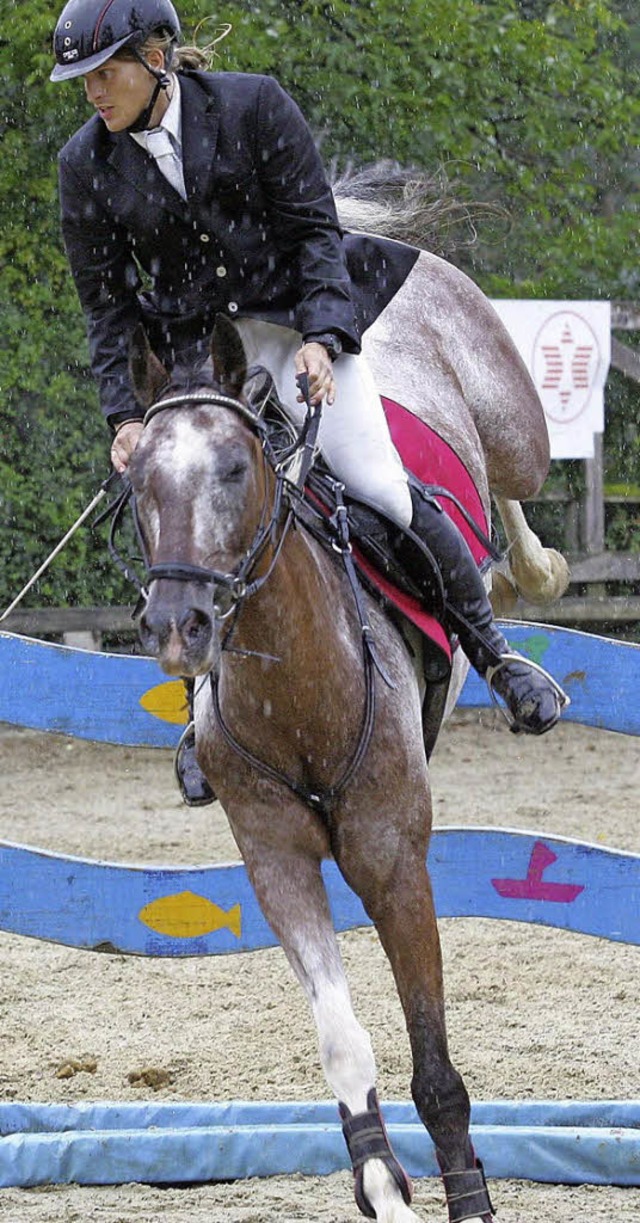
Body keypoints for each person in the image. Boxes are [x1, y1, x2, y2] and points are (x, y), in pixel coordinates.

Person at [51, 0, 567, 806]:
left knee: (377, 486)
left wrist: (326, 339)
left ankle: (495, 654)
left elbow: (316, 235)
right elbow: (106, 309)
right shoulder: (84, 163)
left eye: (104, 71)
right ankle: (202, 709)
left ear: (157, 57)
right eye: (81, 79)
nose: (92, 92)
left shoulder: (253, 106)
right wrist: (123, 416)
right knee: (192, 512)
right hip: (201, 358)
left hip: (296, 326)